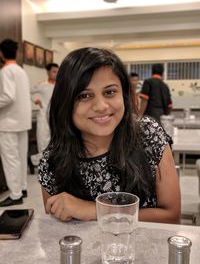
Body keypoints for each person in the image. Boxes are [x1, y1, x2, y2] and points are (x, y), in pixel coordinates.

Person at [38, 47, 180, 223]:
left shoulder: (148, 135)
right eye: (84, 95)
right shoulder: (53, 160)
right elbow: (56, 233)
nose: (101, 106)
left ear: (124, 94)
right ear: (65, 102)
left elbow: (171, 217)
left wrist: (96, 211)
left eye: (110, 92)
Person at [0, 39, 32, 206]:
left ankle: (15, 194)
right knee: (20, 156)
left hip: (8, 122)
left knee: (11, 159)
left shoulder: (6, 71)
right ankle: (22, 188)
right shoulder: (20, 71)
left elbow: (7, 96)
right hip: (22, 121)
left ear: (1, 53)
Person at [31, 63, 59, 165]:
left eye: (57, 72)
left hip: (56, 117)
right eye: (54, 71)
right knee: (43, 142)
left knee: (55, 142)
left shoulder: (60, 86)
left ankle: (46, 162)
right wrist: (35, 100)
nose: (56, 74)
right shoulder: (42, 85)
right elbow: (28, 92)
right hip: (43, 117)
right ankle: (41, 163)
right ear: (48, 72)